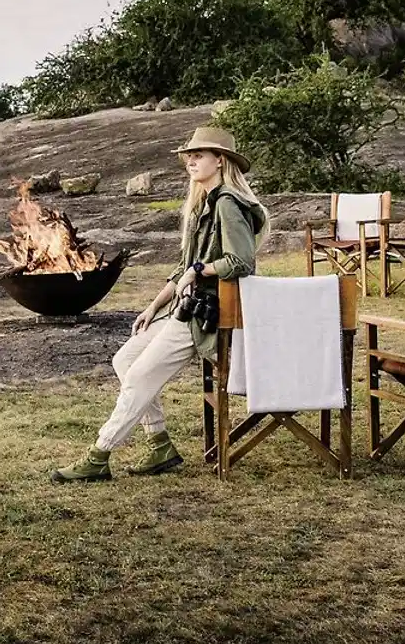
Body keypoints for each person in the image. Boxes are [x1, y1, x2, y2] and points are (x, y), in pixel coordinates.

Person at [50, 126, 268, 483]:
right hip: (184, 307)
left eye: (199, 155)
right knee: (125, 360)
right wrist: (153, 307)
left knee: (139, 376)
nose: (191, 161)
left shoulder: (228, 203)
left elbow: (241, 261)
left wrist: (199, 270)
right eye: (189, 156)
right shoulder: (203, 204)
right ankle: (160, 445)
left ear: (220, 160)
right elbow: (182, 269)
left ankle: (99, 455)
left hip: (207, 315)